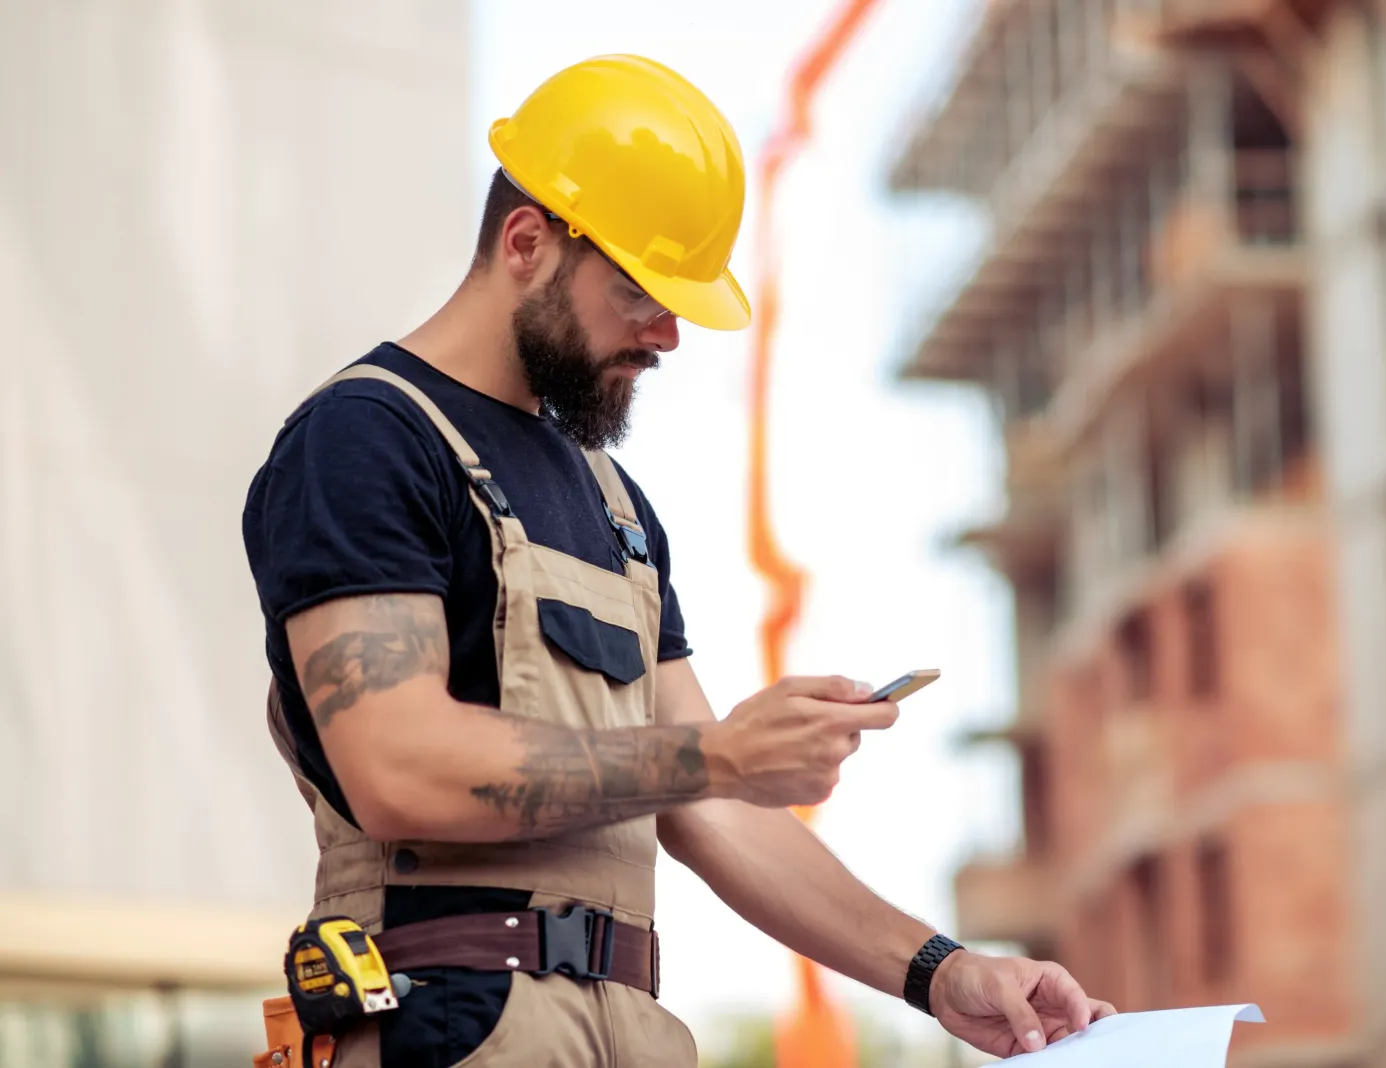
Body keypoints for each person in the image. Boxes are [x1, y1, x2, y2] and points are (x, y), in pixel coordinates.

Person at [242, 53, 1114, 1068]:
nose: (665, 335)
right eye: (636, 293)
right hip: (449, 1024)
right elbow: (397, 765)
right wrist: (723, 754)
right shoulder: (367, 441)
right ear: (526, 242)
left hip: (629, 1031)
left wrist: (939, 971)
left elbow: (706, 810)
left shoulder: (615, 505)